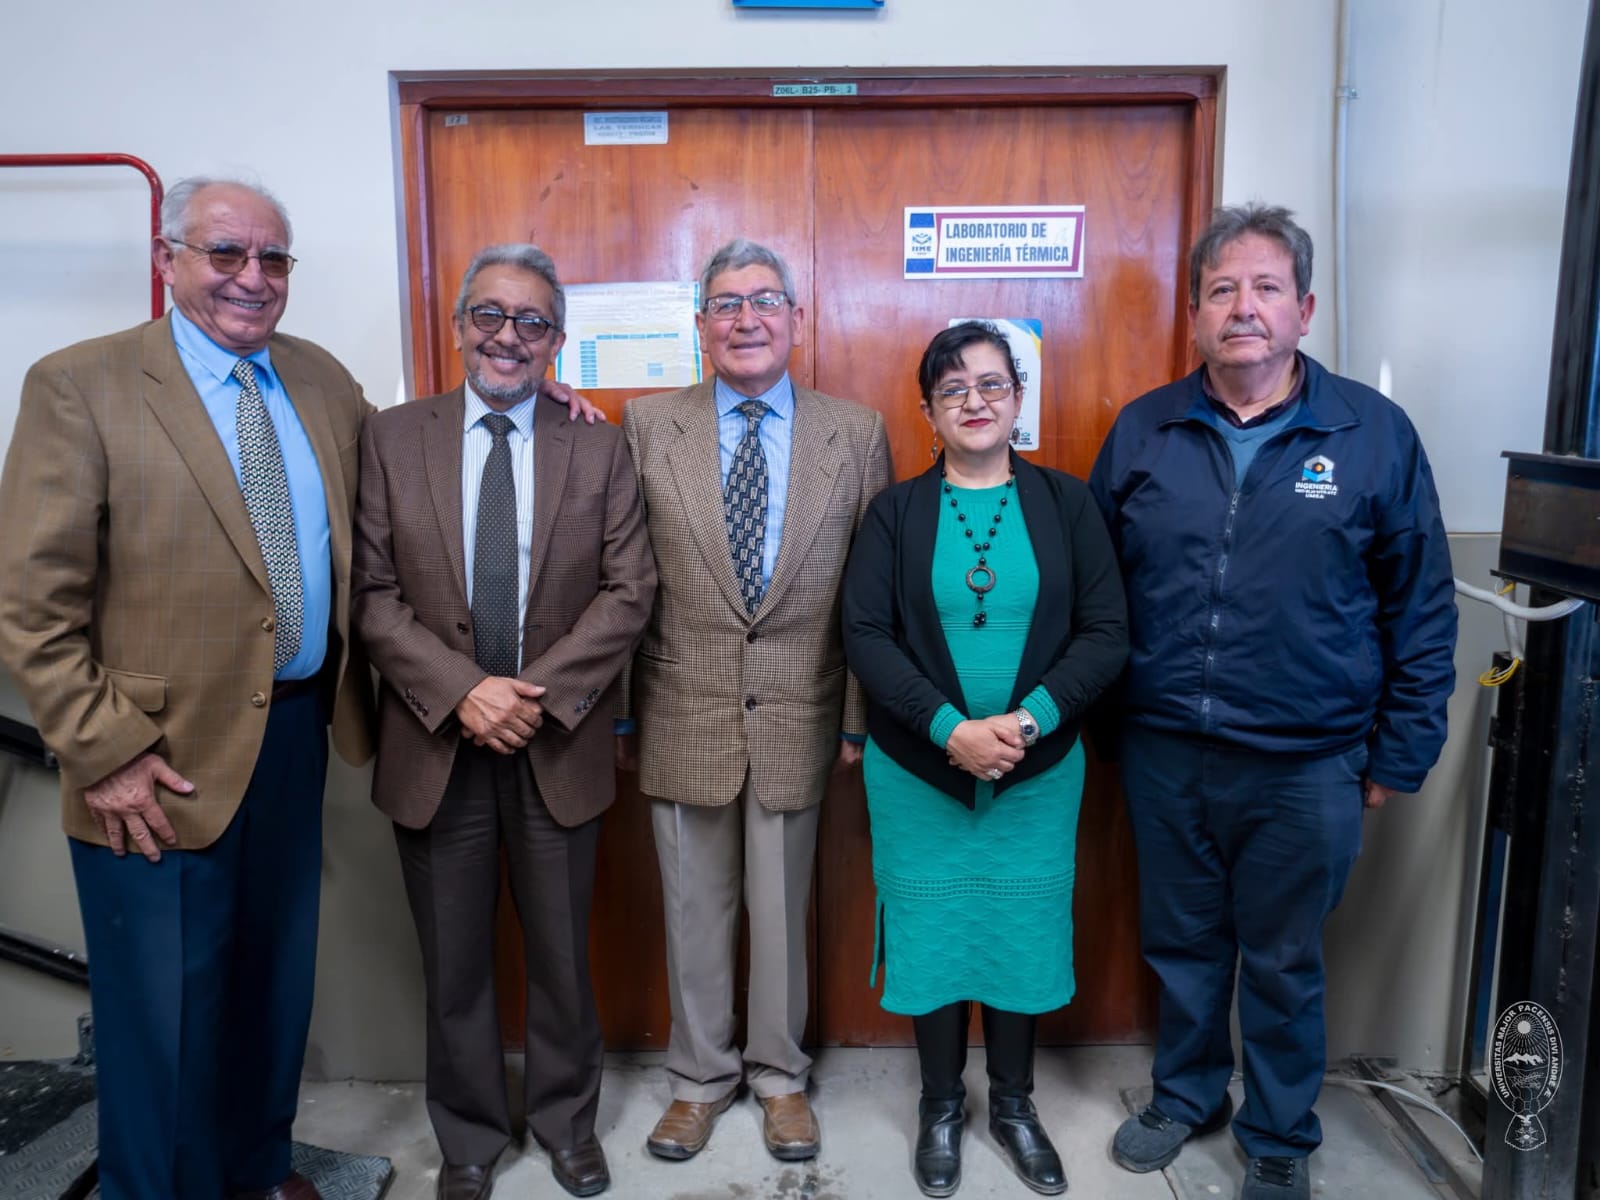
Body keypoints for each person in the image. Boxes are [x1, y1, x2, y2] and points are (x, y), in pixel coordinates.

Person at [0, 177, 375, 1200]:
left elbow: (412, 469)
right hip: (151, 758)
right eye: (226, 253)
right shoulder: (81, 384)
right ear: (168, 260)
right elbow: (31, 605)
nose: (253, 278)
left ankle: (254, 1171)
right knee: (165, 1018)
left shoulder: (321, 380)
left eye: (273, 258)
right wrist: (106, 752)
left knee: (270, 986)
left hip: (293, 735)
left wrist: (538, 404)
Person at [1090, 204, 1458, 1200]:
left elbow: (1422, 605)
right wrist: (1106, 728)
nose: (1242, 308)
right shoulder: (1145, 430)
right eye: (1221, 290)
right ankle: (1186, 1095)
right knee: (1182, 945)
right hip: (1167, 749)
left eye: (1263, 288)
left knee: (1285, 960)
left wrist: (1399, 752)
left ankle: (1280, 1132)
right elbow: (1098, 596)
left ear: (1303, 309)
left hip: (1308, 762)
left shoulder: (1372, 436)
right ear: (1194, 316)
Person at [351, 243, 656, 1200]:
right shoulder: (390, 438)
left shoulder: (599, 445)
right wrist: (463, 692)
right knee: (455, 965)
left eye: (532, 321)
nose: (508, 336)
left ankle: (567, 1126)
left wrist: (529, 696)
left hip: (554, 742)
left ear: (557, 341)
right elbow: (371, 595)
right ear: (458, 327)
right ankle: (471, 1139)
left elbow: (629, 591)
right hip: (433, 743)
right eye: (489, 314)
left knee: (563, 958)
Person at [619, 238, 892, 1162]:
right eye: (727, 304)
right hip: (680, 705)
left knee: (781, 915)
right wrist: (620, 711)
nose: (746, 320)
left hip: (801, 711)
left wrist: (857, 718)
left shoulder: (855, 432)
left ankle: (780, 1078)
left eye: (765, 301)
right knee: (692, 910)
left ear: (795, 319)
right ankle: (699, 1079)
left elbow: (870, 594)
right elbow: (622, 576)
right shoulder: (647, 425)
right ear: (700, 325)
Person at [839, 322, 1127, 1196]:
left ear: (1018, 400)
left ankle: (1013, 1105)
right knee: (931, 933)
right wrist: (949, 730)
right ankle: (939, 1106)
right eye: (953, 389)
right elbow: (866, 635)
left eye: (992, 384)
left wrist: (1027, 723)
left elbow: (1107, 632)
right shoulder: (893, 514)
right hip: (919, 773)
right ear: (928, 412)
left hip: (1037, 775)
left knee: (1020, 932)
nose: (974, 401)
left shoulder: (1067, 504)